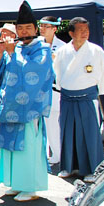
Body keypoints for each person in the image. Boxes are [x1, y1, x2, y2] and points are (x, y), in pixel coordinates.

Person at [0, 1, 53, 201]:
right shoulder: (17, 48)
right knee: (9, 147)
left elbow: (35, 74)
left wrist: (12, 53)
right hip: (10, 107)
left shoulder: (43, 50)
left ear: (36, 29)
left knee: (27, 148)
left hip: (29, 109)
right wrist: (1, 53)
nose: (23, 32)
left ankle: (30, 187)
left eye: (27, 28)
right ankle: (15, 183)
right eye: (20, 28)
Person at [53, 17, 104, 181]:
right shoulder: (62, 51)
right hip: (67, 97)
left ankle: (94, 169)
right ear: (71, 33)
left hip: (87, 97)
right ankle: (68, 166)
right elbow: (57, 74)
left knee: (90, 134)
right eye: (81, 30)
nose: (85, 32)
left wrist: (102, 90)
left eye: (87, 29)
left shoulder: (96, 51)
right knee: (67, 132)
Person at [38, 16, 66, 165]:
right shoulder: (37, 45)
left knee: (55, 124)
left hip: (55, 91)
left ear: (54, 28)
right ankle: (47, 152)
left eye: (46, 26)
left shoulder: (62, 47)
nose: (42, 28)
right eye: (41, 25)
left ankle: (59, 154)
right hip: (39, 92)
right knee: (43, 125)